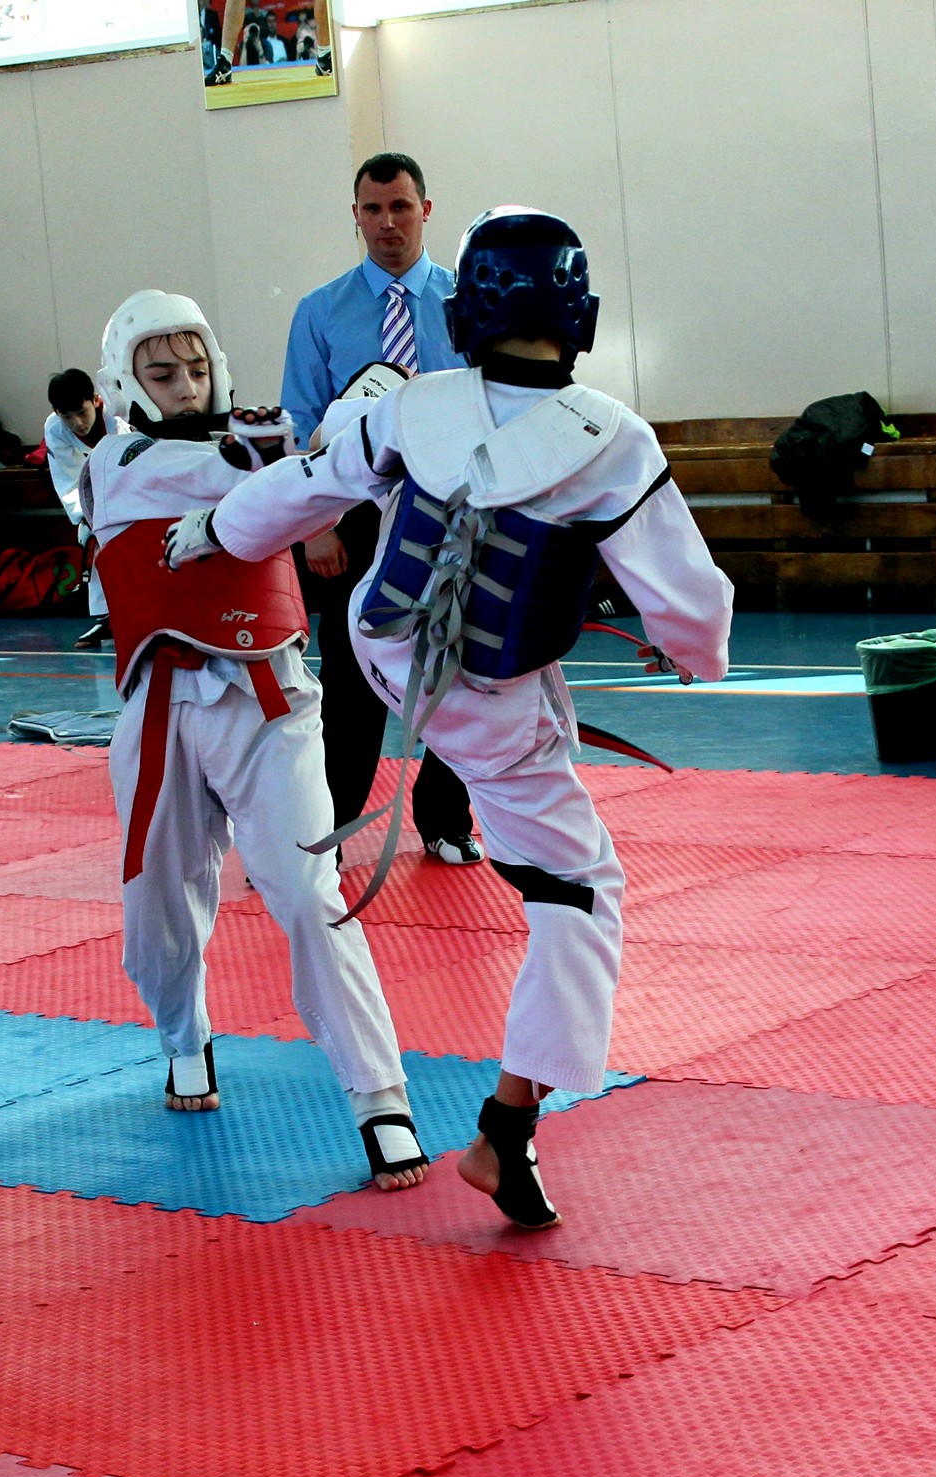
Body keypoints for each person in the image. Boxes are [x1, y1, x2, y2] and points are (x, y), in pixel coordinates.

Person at [172, 208, 735, 1230]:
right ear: (581, 317)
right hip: (485, 698)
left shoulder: (413, 405)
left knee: (521, 785)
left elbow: (305, 484)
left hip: (383, 644)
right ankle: (504, 1134)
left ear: (466, 312)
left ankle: (504, 1124)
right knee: (581, 893)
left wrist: (214, 527)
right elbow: (690, 599)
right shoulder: (614, 440)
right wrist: (694, 654)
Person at [80, 288, 427, 1191]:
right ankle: (183, 1035)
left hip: (272, 702)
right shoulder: (116, 460)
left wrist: (340, 446)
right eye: (163, 372)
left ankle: (380, 1098)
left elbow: (309, 507)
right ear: (129, 383)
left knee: (312, 893)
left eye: (198, 368)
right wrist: (316, 451)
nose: (186, 385)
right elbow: (238, 491)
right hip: (160, 707)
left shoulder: (269, 451)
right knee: (156, 910)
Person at [281, 151, 483, 867]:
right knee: (350, 680)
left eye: (400, 207)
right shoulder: (320, 311)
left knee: (461, 670)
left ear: (425, 210)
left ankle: (445, 817)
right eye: (373, 209)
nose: (387, 222)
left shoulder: (469, 300)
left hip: (458, 510)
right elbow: (300, 427)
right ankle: (331, 832)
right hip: (358, 516)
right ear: (356, 216)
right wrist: (317, 527)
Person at [43, 367, 114, 649]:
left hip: (137, 483)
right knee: (93, 538)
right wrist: (86, 517)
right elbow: (69, 478)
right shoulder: (55, 428)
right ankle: (106, 617)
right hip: (96, 488)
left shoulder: (117, 416)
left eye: (82, 412)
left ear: (95, 400)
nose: (77, 423)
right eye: (67, 416)